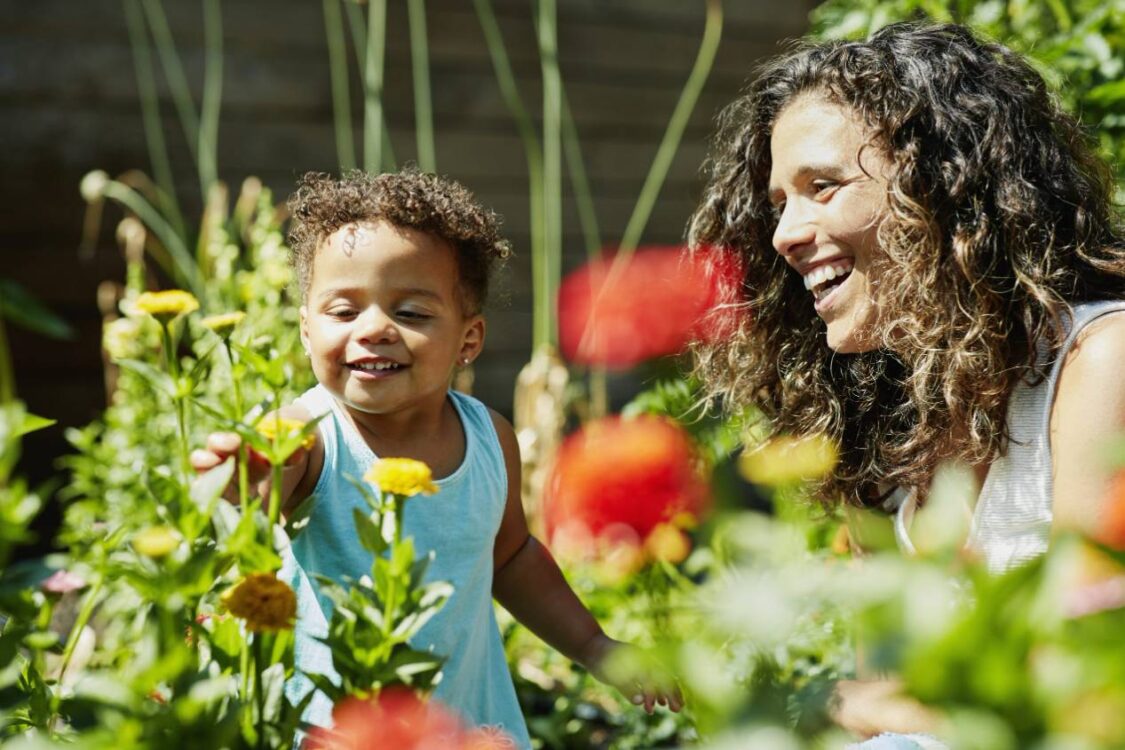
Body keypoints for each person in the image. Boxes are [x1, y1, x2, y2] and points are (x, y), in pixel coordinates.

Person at [688, 21, 1125, 746]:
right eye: (777, 203)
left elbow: (1087, 689)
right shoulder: (880, 416)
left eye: (821, 187)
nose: (784, 234)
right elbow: (884, 688)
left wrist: (865, 706)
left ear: (946, 186)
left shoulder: (1100, 363)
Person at [192, 170, 680, 747]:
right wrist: (246, 481)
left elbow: (513, 558)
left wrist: (596, 646)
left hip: (466, 720)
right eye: (343, 312)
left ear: (468, 340)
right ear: (305, 329)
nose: (374, 329)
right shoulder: (310, 434)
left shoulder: (488, 438)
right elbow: (268, 480)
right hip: (342, 729)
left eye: (412, 314)